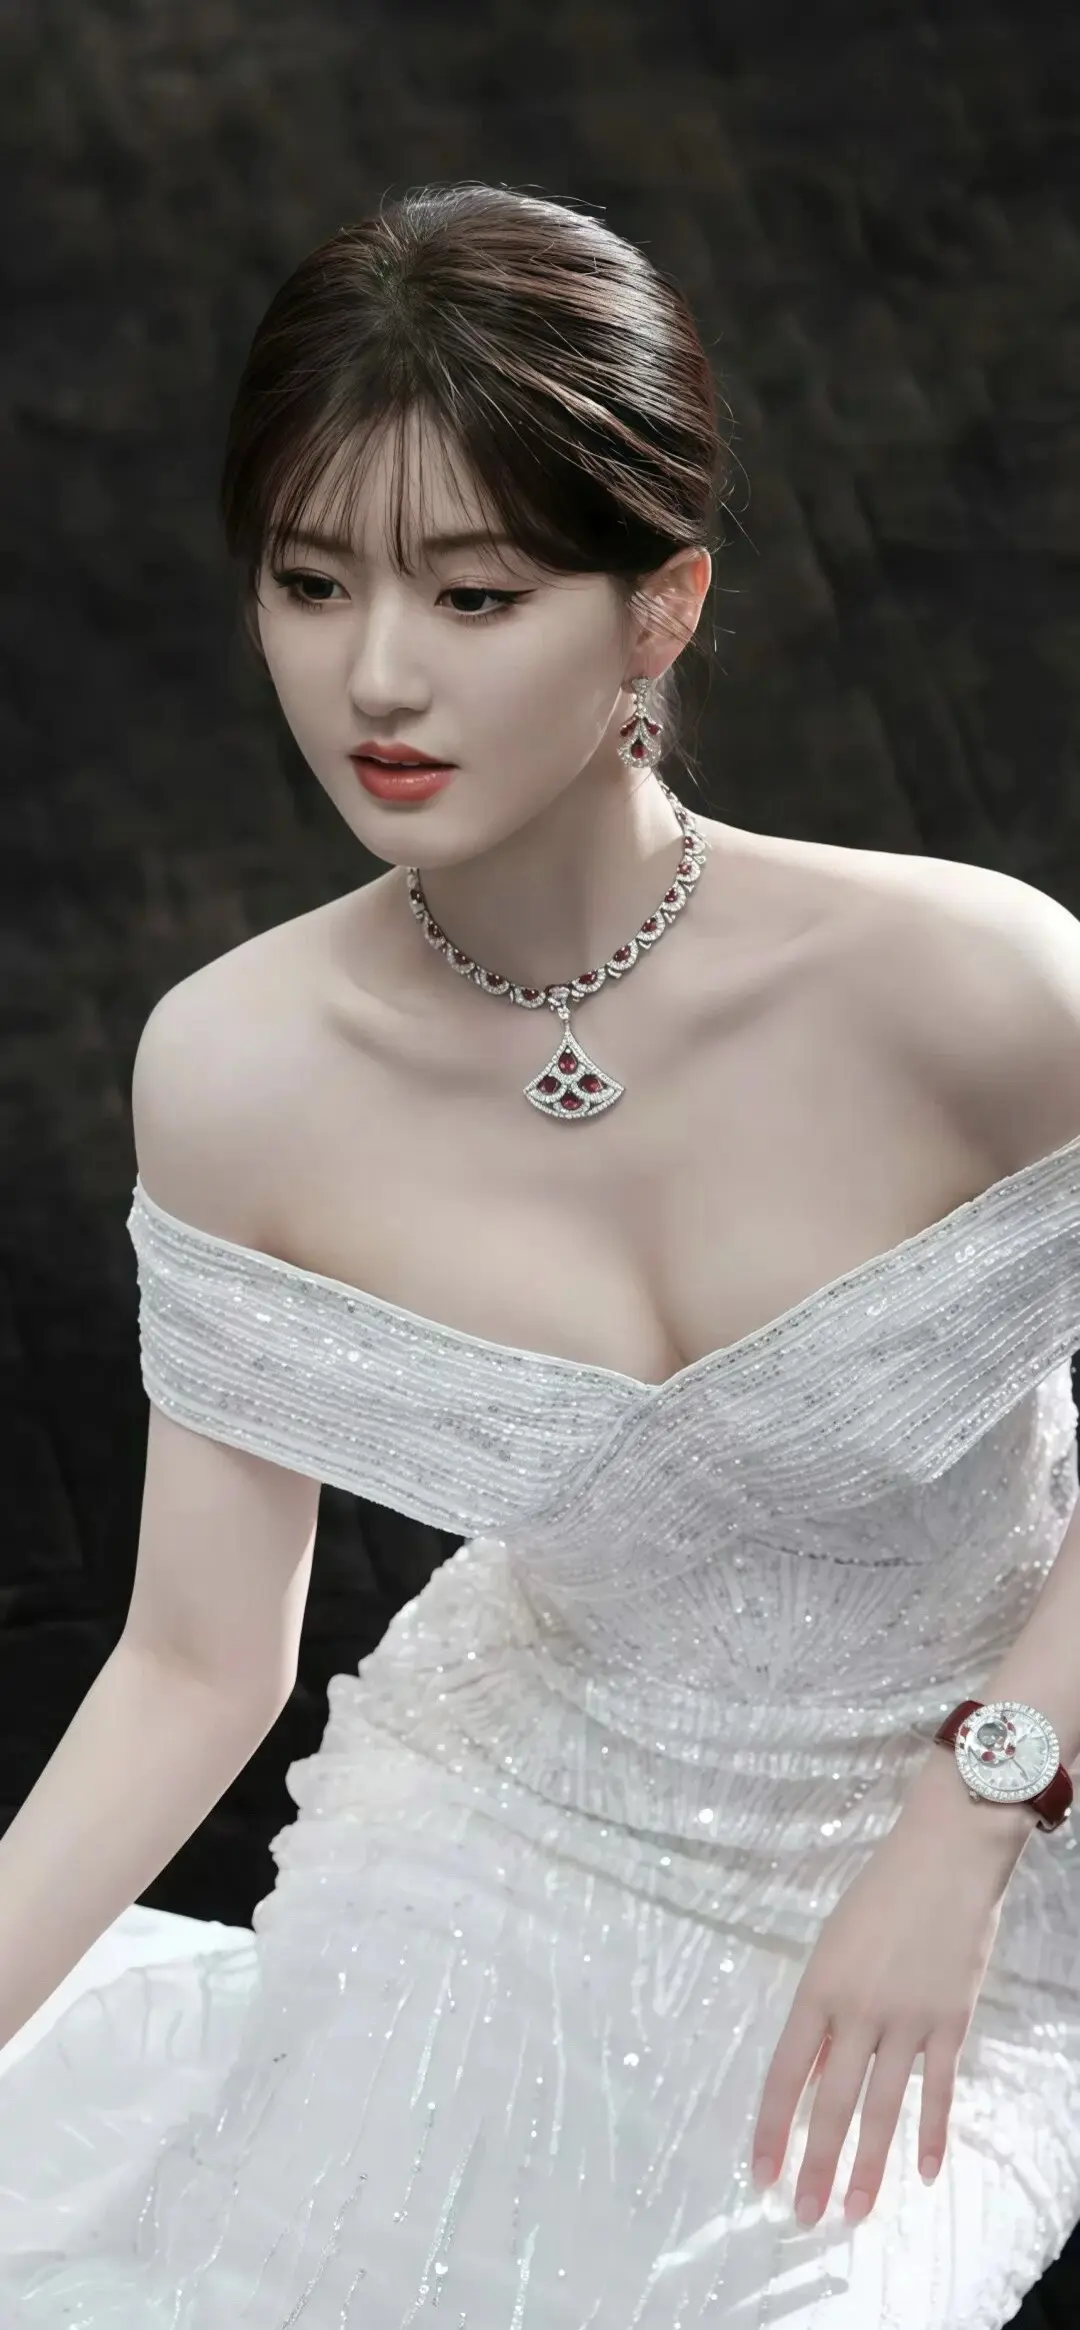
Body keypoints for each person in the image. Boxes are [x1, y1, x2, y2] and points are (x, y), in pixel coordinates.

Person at [1, 179, 1080, 2330]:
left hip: (998, 1841)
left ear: (660, 608)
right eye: (310, 582)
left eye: (476, 593)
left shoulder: (978, 984)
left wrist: (979, 1814)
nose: (376, 676)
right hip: (504, 1829)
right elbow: (198, 1661)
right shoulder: (232, 1069)